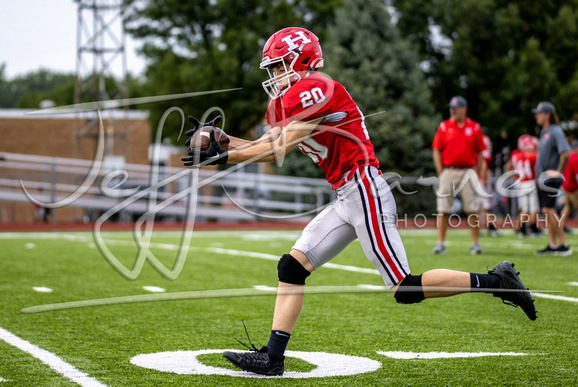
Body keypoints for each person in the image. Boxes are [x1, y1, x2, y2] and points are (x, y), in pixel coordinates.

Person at [182, 27, 537, 376]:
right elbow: (269, 142)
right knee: (292, 267)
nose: (275, 75)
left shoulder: (317, 88)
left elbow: (277, 149)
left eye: (280, 66)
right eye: (272, 69)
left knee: (404, 287)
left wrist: (224, 156)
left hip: (364, 188)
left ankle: (497, 280)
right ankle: (273, 358)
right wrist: (225, 142)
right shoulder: (292, 97)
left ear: (302, 60)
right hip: (346, 195)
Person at [432, 96, 486, 255]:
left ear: (464, 109)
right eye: (451, 108)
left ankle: (475, 243)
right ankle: (440, 243)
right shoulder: (444, 126)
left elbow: (481, 151)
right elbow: (436, 149)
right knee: (443, 208)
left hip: (468, 170)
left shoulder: (474, 127)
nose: (452, 110)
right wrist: (440, 170)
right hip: (448, 170)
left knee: (472, 208)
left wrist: (478, 170)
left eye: (455, 108)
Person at [532, 101, 571, 255]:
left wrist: (558, 170)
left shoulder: (555, 131)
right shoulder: (544, 132)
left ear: (547, 115)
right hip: (542, 179)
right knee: (546, 210)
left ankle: (564, 244)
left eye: (539, 113)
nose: (537, 116)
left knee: (549, 210)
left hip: (551, 179)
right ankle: (553, 244)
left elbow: (566, 152)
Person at [505, 135, 541, 236]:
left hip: (521, 184)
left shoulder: (515, 155)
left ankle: (522, 229)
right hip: (530, 182)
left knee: (524, 208)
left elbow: (507, 168)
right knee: (533, 208)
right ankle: (533, 228)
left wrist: (515, 178)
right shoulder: (533, 155)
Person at [560, 140, 578, 234]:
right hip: (574, 187)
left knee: (567, 206)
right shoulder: (575, 157)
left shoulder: (567, 157)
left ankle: (561, 225)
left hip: (566, 186)